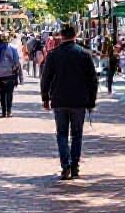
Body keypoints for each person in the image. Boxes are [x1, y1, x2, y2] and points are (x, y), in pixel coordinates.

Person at [40, 24, 99, 180]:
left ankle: (65, 165)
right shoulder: (84, 54)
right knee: (77, 135)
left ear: (61, 36)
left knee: (61, 134)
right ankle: (74, 166)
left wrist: (45, 97)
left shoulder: (53, 55)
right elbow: (93, 80)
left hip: (59, 100)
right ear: (75, 35)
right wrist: (91, 101)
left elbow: (45, 78)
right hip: (79, 101)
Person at [0, 31, 23, 117]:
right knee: (10, 93)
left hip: (0, 74)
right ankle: (9, 111)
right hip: (10, 74)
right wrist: (18, 74)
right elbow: (17, 63)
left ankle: (4, 111)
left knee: (2, 92)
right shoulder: (13, 48)